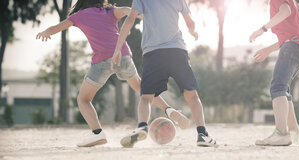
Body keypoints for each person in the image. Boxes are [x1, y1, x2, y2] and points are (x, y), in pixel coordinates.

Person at [36, 0, 190, 147]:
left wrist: (45, 32)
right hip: (123, 55)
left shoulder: (78, 16)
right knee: (143, 89)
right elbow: (127, 11)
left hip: (102, 60)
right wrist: (143, 14)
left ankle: (97, 133)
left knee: (83, 99)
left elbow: (56, 28)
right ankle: (169, 110)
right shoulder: (108, 11)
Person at [111, 0, 218, 148]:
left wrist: (118, 48)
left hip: (153, 54)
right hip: (177, 51)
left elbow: (129, 20)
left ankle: (142, 126)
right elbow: (190, 21)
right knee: (191, 95)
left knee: (146, 97)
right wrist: (193, 31)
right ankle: (202, 134)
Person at [249, 0, 299, 146]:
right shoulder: (292, 2)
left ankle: (281, 133)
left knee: (277, 87)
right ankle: (295, 133)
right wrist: (267, 50)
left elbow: (285, 12)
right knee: (283, 88)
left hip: (294, 45)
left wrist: (262, 29)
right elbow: (287, 37)